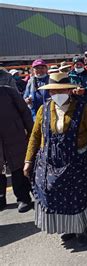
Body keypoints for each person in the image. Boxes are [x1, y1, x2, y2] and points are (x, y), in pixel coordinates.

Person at [23, 72, 87, 246]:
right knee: (55, 195)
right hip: (50, 161)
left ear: (69, 90)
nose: (57, 94)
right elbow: (35, 136)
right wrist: (28, 161)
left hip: (78, 160)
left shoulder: (82, 108)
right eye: (54, 92)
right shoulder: (44, 110)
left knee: (78, 195)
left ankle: (81, 228)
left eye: (62, 90)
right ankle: (68, 228)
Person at [0, 84, 34, 212]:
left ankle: (23, 198)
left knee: (18, 167)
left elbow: (25, 111)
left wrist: (32, 132)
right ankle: (1, 199)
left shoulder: (8, 92)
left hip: (15, 136)